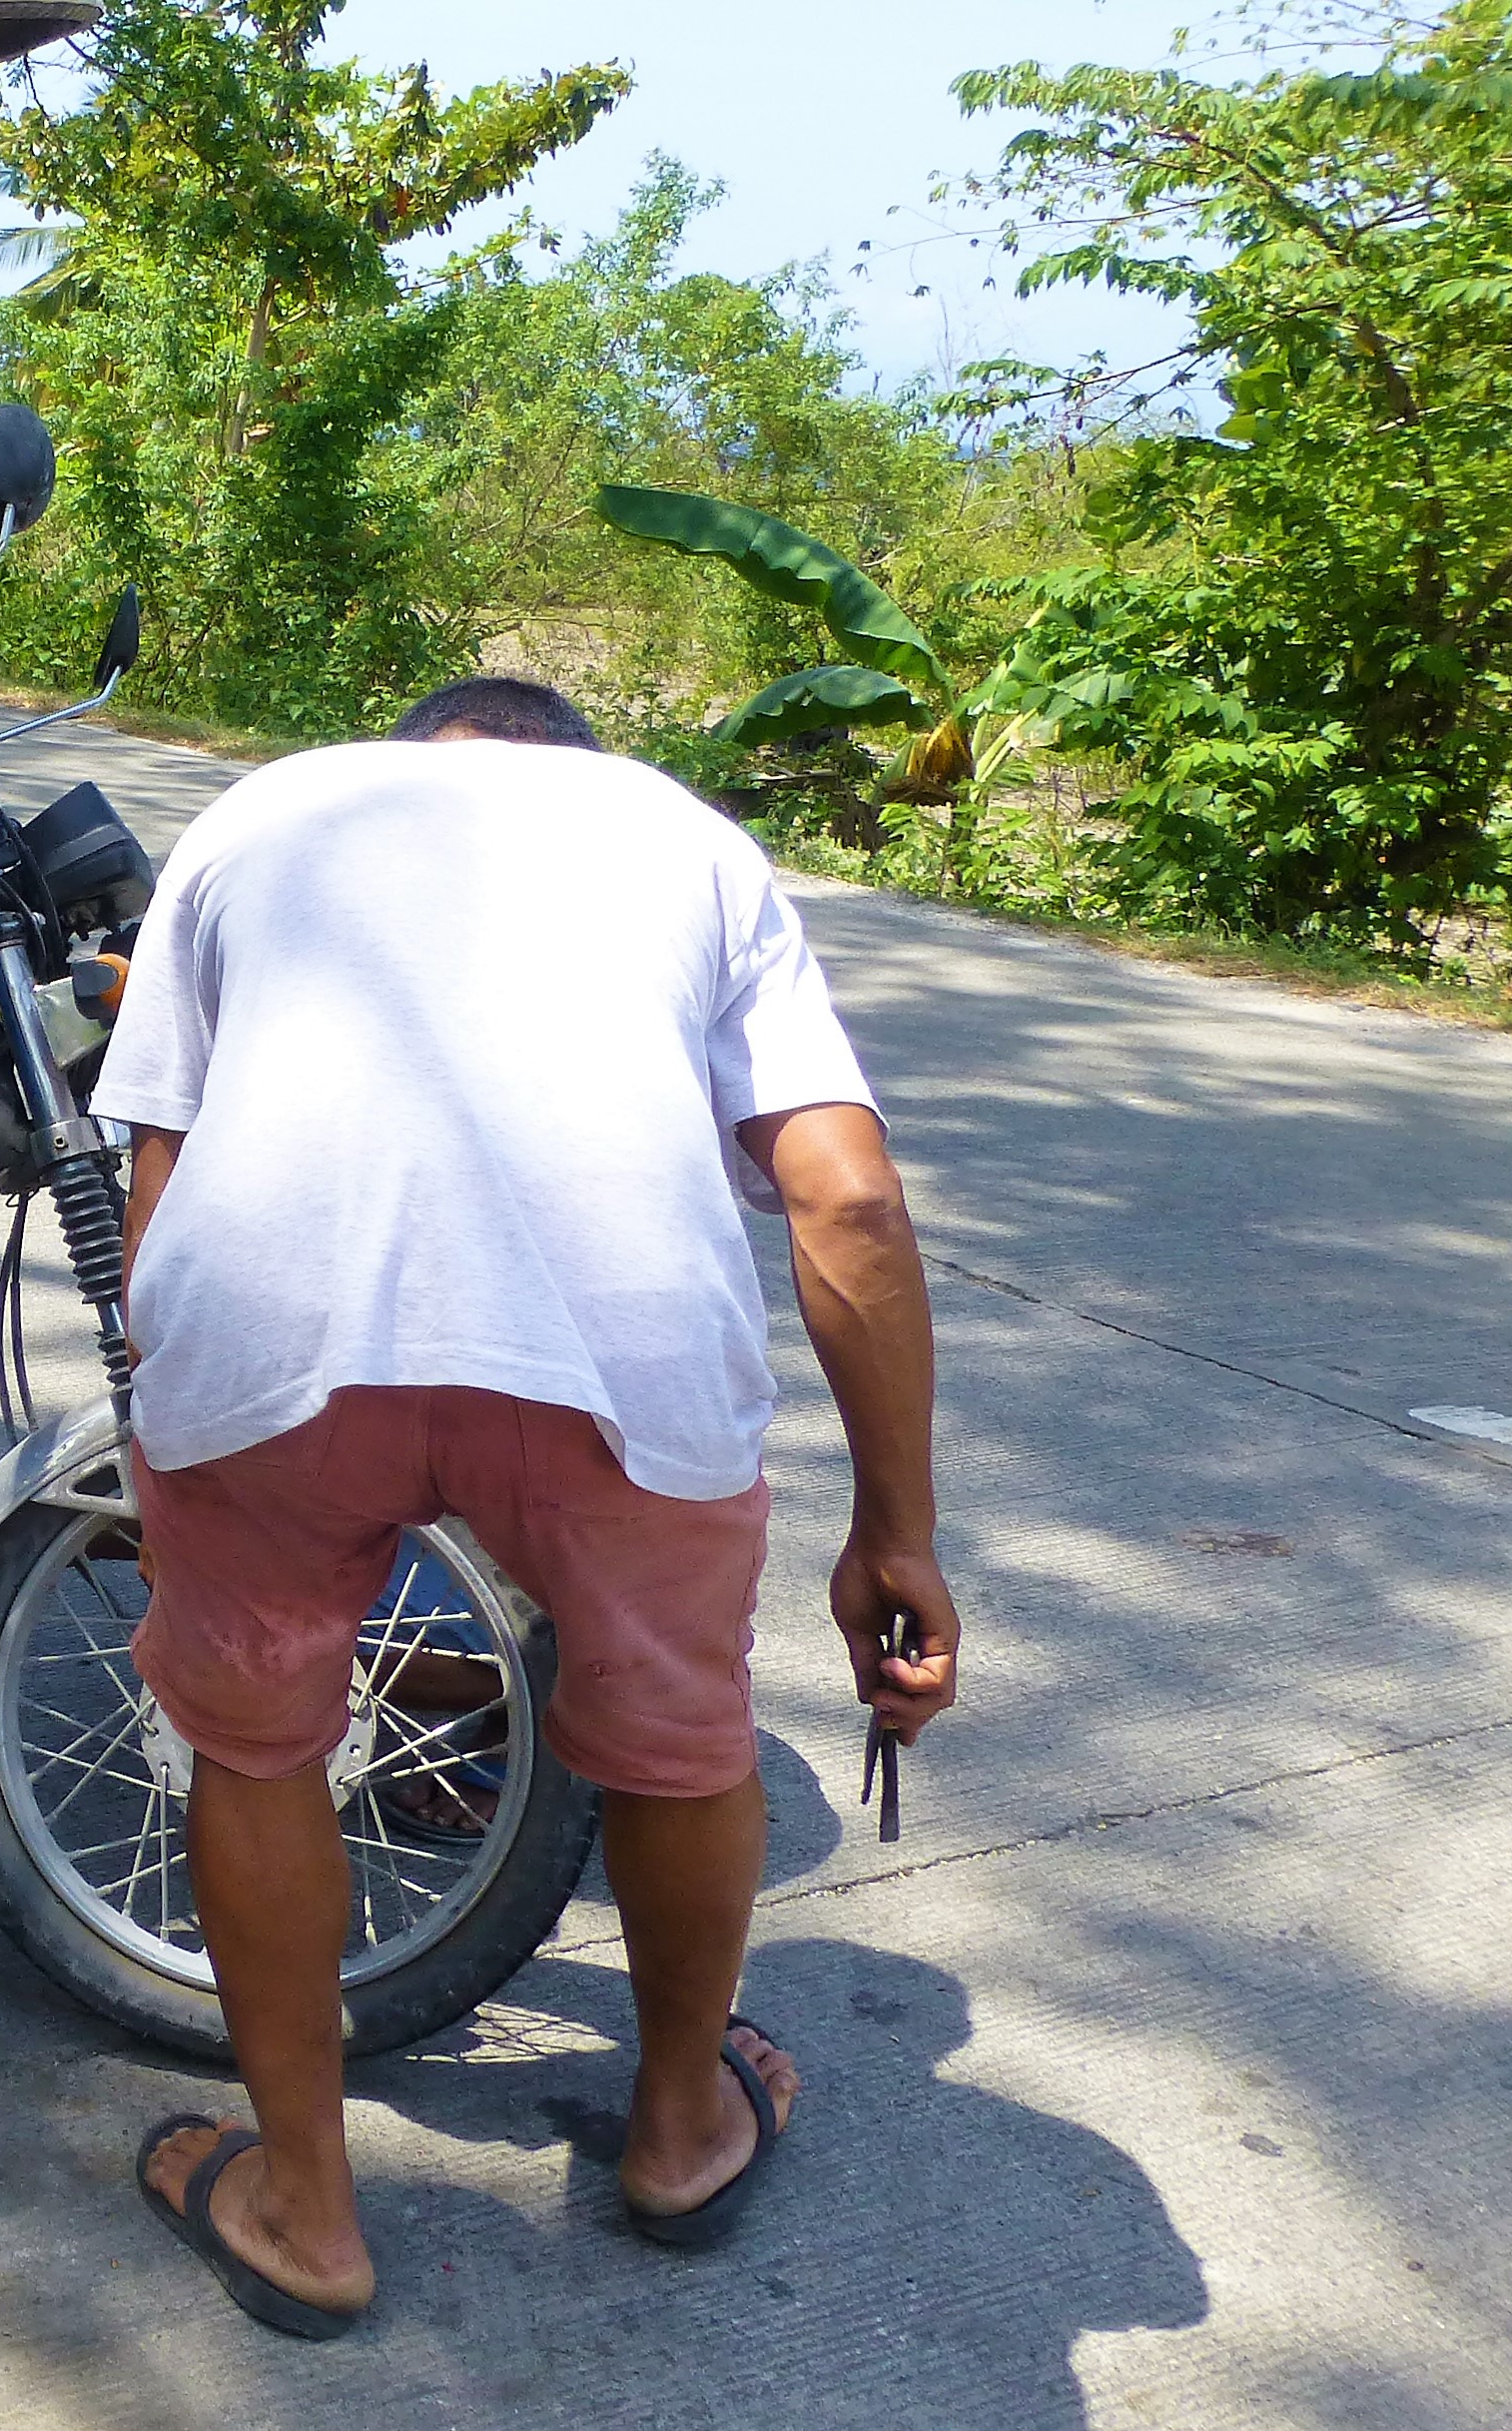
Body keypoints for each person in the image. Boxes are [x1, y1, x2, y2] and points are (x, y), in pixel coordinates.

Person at [97, 672, 961, 2334]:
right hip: (613, 1356)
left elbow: (164, 1169)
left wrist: (192, 1421)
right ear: (581, 766)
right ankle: (681, 2127)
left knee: (258, 1739)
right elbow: (844, 1194)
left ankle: (305, 2208)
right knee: (682, 1736)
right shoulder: (684, 838)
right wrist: (896, 1529)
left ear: (417, 751)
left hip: (271, 1329)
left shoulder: (262, 811)